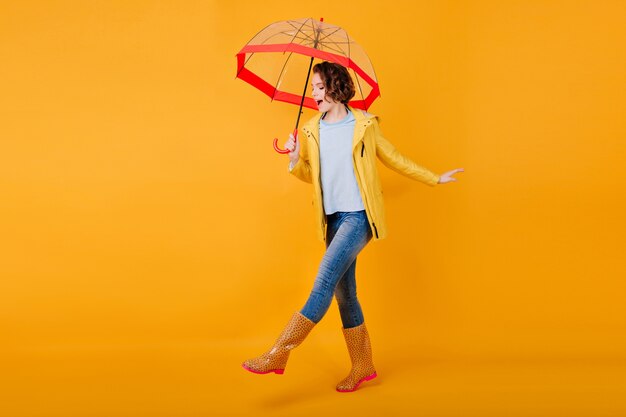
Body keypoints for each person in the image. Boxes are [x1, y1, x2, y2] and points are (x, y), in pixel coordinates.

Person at [242, 61, 464, 392]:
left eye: (319, 87)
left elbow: (394, 157)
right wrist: (293, 160)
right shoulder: (310, 129)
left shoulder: (363, 125)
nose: (313, 93)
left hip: (358, 217)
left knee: (323, 283)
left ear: (335, 87)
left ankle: (278, 353)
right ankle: (363, 366)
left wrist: (434, 177)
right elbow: (310, 175)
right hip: (332, 219)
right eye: (313, 87)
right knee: (346, 294)